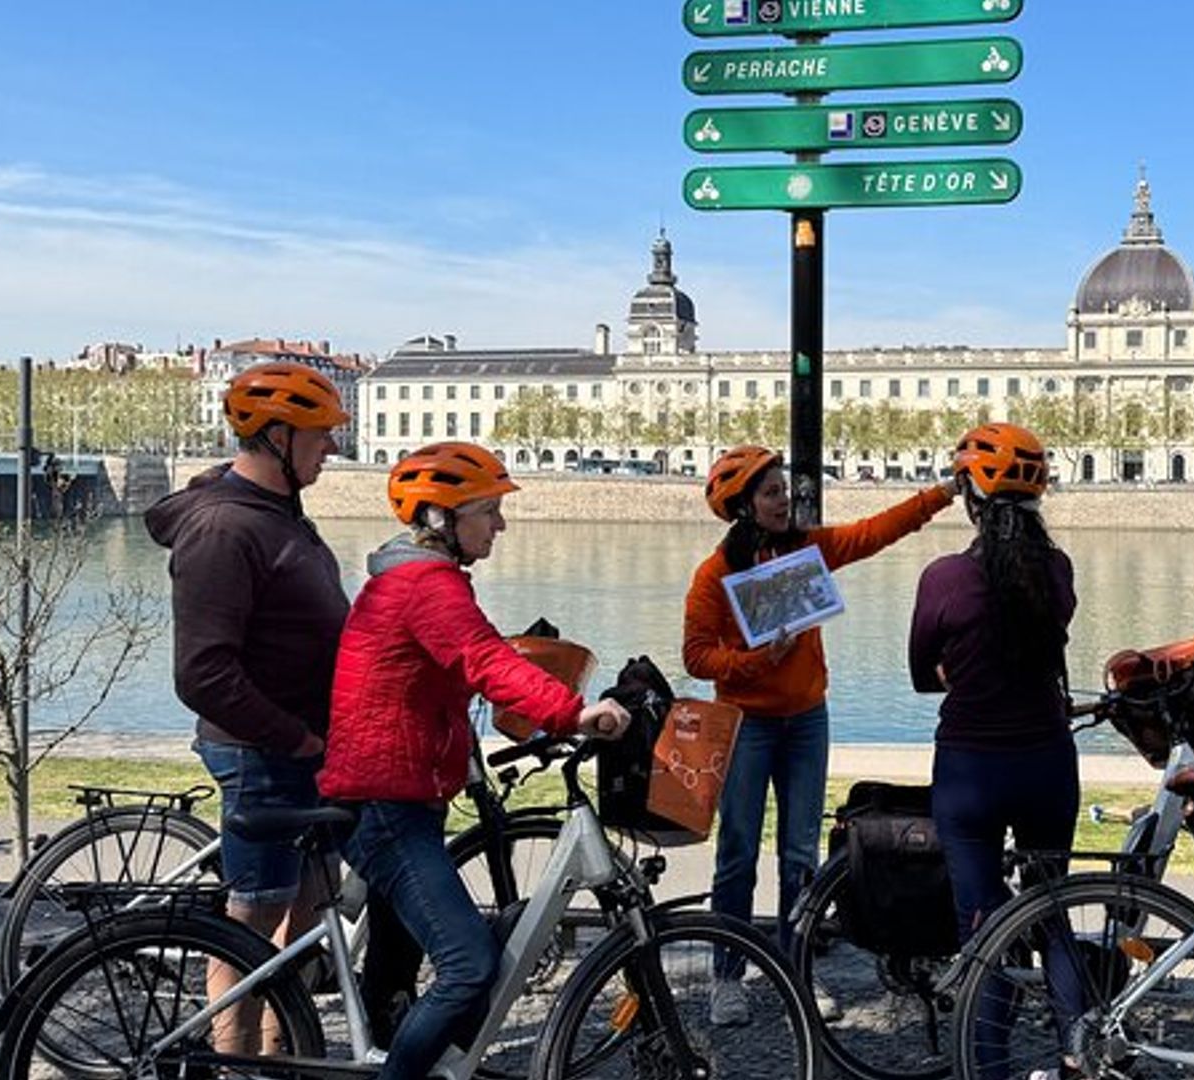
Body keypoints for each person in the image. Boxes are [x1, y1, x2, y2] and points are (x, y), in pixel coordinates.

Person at [319, 442, 630, 1080]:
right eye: (489, 511)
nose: (501, 525)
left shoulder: (412, 580)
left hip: (396, 794)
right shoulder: (424, 585)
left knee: (394, 972)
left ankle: (398, 1052)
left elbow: (471, 659)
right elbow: (483, 661)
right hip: (387, 805)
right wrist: (573, 713)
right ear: (442, 519)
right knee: (466, 964)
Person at [684, 445, 955, 1024]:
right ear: (743, 507)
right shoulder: (715, 575)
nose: (785, 500)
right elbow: (697, 656)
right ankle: (726, 978)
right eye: (772, 493)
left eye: (784, 490)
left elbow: (873, 533)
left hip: (807, 719)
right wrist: (756, 660)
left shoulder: (807, 549)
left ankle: (796, 970)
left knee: (799, 854)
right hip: (747, 724)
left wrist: (940, 495)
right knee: (736, 854)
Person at [145, 360, 350, 1054]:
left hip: (302, 750)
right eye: (320, 435)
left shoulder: (276, 514)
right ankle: (232, 1062)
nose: (331, 448)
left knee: (308, 905)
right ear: (277, 437)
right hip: (261, 751)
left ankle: (278, 1054)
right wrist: (294, 739)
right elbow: (202, 672)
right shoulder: (226, 530)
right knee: (249, 925)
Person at [910, 424, 1081, 1080]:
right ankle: (1076, 1056)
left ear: (967, 496)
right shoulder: (1057, 571)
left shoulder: (945, 577)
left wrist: (961, 671)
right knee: (1052, 910)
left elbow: (923, 672)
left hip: (971, 769)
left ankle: (988, 1067)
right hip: (1046, 762)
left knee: (983, 924)